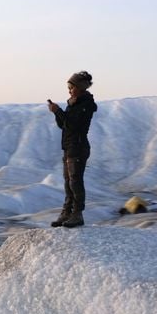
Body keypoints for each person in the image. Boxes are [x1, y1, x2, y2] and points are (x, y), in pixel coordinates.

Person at [47, 71, 98, 227]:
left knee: (75, 182)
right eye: (68, 88)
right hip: (69, 147)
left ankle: (77, 214)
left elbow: (73, 125)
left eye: (71, 87)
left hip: (78, 146)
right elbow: (63, 125)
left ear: (80, 88)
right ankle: (67, 212)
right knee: (68, 182)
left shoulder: (85, 105)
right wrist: (57, 113)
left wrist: (58, 111)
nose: (69, 91)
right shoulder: (73, 103)